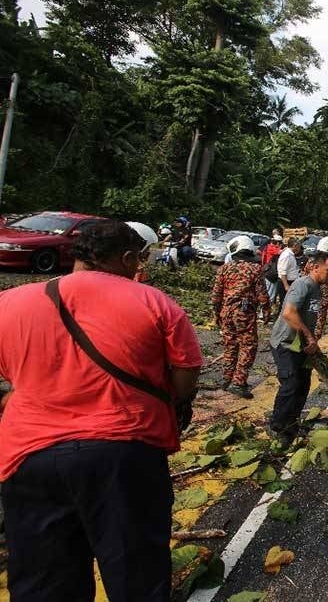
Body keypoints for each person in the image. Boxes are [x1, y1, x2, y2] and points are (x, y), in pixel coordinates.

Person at [0, 220, 202, 601]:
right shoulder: (155, 303)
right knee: (136, 575)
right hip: (124, 452)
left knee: (43, 582)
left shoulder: (11, 303)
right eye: (138, 259)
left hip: (29, 456)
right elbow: (185, 377)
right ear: (126, 258)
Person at [268, 251, 328, 448]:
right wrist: (309, 335)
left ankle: (291, 424)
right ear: (315, 267)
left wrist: (311, 339)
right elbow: (289, 313)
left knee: (303, 385)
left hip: (301, 345)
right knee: (290, 384)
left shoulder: (317, 288)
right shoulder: (302, 284)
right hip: (286, 342)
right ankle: (277, 426)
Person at [212, 236, 270, 399]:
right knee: (248, 346)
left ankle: (226, 378)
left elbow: (216, 296)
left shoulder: (224, 269)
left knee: (230, 345)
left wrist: (217, 314)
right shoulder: (255, 269)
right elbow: (262, 294)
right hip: (244, 314)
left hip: (226, 312)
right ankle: (238, 382)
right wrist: (266, 311)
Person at [301, 237, 328, 336]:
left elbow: (304, 276)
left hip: (308, 295)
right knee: (318, 322)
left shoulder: (311, 261)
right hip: (321, 297)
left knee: (307, 318)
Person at [277, 236, 303, 304]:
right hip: (286, 282)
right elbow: (283, 272)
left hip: (291, 282)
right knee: (285, 304)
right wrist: (286, 286)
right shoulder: (287, 255)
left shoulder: (291, 254)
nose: (300, 248)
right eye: (299, 246)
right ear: (295, 246)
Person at [260, 233, 284, 305]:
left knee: (270, 291)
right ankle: (268, 307)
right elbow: (280, 252)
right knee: (270, 292)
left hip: (268, 271)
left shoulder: (268, 247)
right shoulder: (271, 248)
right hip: (270, 272)